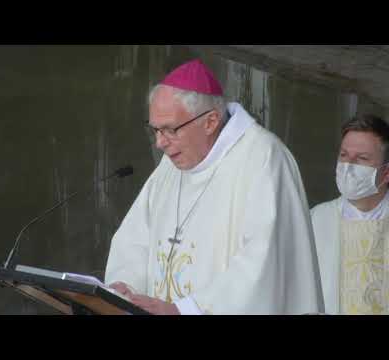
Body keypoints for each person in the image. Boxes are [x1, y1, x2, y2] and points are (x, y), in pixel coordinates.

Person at [104, 59, 324, 315]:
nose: (159, 143)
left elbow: (264, 263)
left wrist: (186, 309)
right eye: (154, 130)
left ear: (210, 121)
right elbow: (136, 239)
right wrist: (125, 289)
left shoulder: (264, 158)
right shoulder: (170, 165)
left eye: (169, 130)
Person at [311, 115, 389, 315]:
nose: (348, 166)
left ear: (386, 173)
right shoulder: (316, 220)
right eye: (344, 155)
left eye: (362, 158)